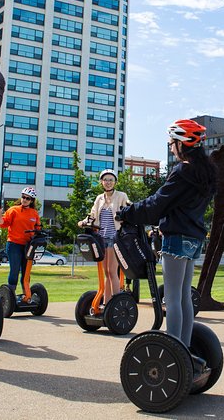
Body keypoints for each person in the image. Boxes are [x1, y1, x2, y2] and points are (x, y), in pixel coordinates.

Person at [117, 119, 216, 346]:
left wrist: (127, 213)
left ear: (182, 143)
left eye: (172, 142)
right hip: (194, 239)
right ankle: (185, 347)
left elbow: (156, 204)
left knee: (171, 298)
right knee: (183, 298)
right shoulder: (204, 174)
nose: (171, 147)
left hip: (176, 238)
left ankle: (174, 349)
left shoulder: (182, 171)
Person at [79, 169, 130, 305]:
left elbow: (129, 209)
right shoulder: (99, 198)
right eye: (105, 180)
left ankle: (117, 303)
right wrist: (84, 221)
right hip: (101, 238)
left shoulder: (121, 196)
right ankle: (107, 303)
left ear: (115, 182)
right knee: (106, 273)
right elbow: (92, 215)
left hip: (115, 238)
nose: (108, 182)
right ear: (101, 182)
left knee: (112, 271)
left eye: (111, 180)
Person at [0, 187, 41, 293]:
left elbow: (38, 229)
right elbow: (2, 224)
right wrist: (0, 214)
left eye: (28, 198)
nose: (24, 199)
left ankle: (26, 294)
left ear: (32, 200)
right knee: (15, 270)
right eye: (23, 197)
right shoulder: (13, 210)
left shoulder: (34, 213)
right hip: (14, 244)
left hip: (28, 246)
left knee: (26, 271)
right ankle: (11, 294)